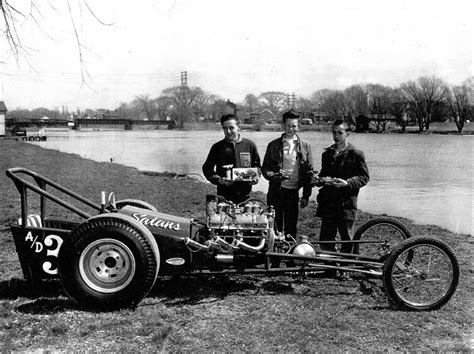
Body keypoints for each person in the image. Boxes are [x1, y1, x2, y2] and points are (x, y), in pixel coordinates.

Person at [313, 119, 369, 254]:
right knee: (326, 240)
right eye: (334, 132)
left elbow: (364, 177)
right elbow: (324, 175)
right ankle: (330, 268)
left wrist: (348, 183)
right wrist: (319, 180)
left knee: (347, 240)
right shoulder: (327, 154)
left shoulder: (356, 154)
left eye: (340, 132)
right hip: (328, 204)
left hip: (346, 204)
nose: (336, 136)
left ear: (347, 133)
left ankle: (346, 270)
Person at [262, 109, 314, 237]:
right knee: (275, 228)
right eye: (288, 126)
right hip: (276, 192)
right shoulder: (273, 145)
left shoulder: (306, 146)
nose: (290, 129)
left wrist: (306, 195)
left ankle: (290, 256)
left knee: (291, 229)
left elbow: (309, 172)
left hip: (293, 193)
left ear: (299, 126)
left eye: (294, 126)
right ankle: (275, 256)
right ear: (282, 126)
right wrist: (274, 175)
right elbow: (265, 169)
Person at [202, 114, 261, 204]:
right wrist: (219, 180)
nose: (228, 131)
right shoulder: (217, 147)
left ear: (239, 127)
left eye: (231, 127)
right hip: (223, 196)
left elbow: (257, 166)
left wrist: (256, 176)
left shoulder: (250, 145)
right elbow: (207, 168)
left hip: (245, 196)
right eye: (225, 128)